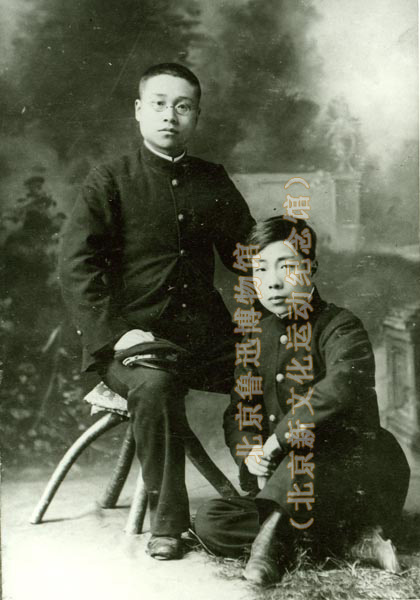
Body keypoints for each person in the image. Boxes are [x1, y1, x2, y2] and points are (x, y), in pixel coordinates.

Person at [59, 63, 255, 560]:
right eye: (160, 104)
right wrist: (117, 334)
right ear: (139, 111)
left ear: (196, 116)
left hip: (204, 339)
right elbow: (77, 267)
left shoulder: (211, 179)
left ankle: (264, 491)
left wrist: (283, 255)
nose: (171, 115)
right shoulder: (111, 179)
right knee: (155, 386)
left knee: (264, 370)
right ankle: (168, 523)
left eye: (183, 106)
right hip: (130, 343)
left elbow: (244, 254)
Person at [194, 216, 410, 585]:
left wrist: (277, 441)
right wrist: (251, 454)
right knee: (210, 521)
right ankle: (352, 541)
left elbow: (339, 389)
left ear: (311, 268)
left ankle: (267, 549)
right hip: (290, 485)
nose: (272, 282)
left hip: (355, 472)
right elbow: (241, 410)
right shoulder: (254, 337)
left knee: (305, 458)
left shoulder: (341, 326)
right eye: (261, 269)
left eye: (286, 266)